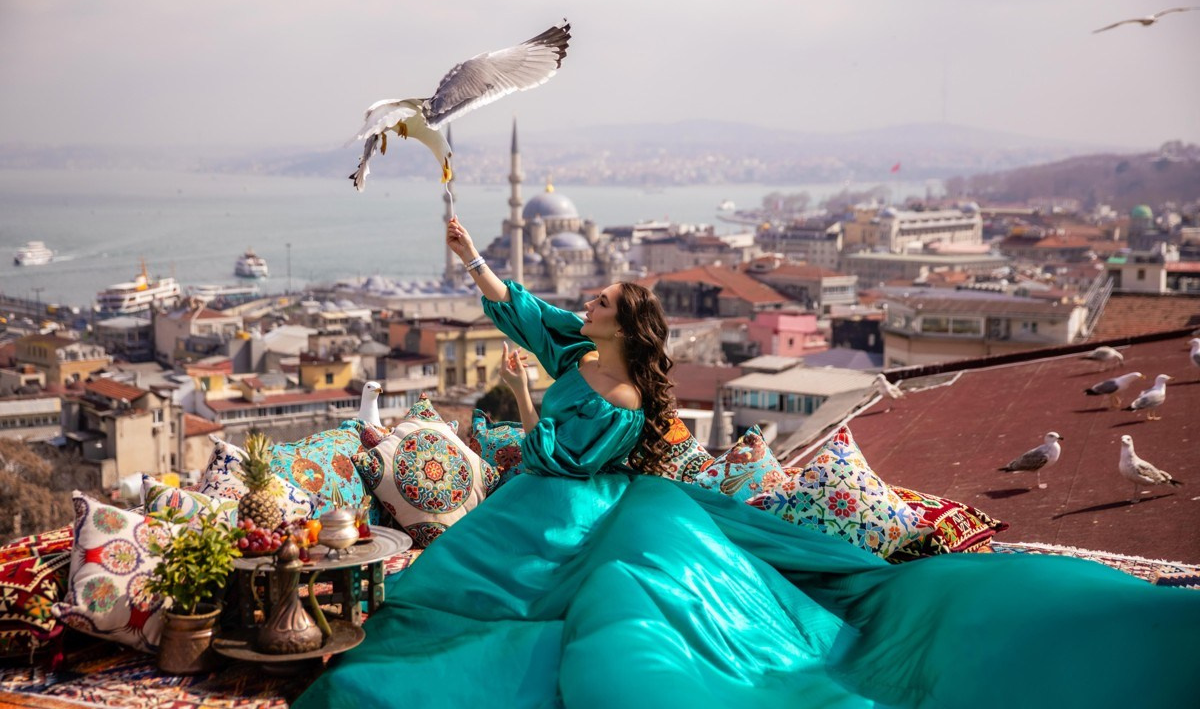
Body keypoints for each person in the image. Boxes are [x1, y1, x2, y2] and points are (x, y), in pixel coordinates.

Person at [294, 217, 1199, 709]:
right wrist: (473, 260)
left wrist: (526, 407)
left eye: (603, 296)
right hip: (530, 499)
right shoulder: (573, 343)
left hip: (580, 507)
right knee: (434, 598)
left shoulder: (635, 402)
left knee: (575, 620)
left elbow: (577, 450)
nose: (590, 297)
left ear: (624, 323)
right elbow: (519, 307)